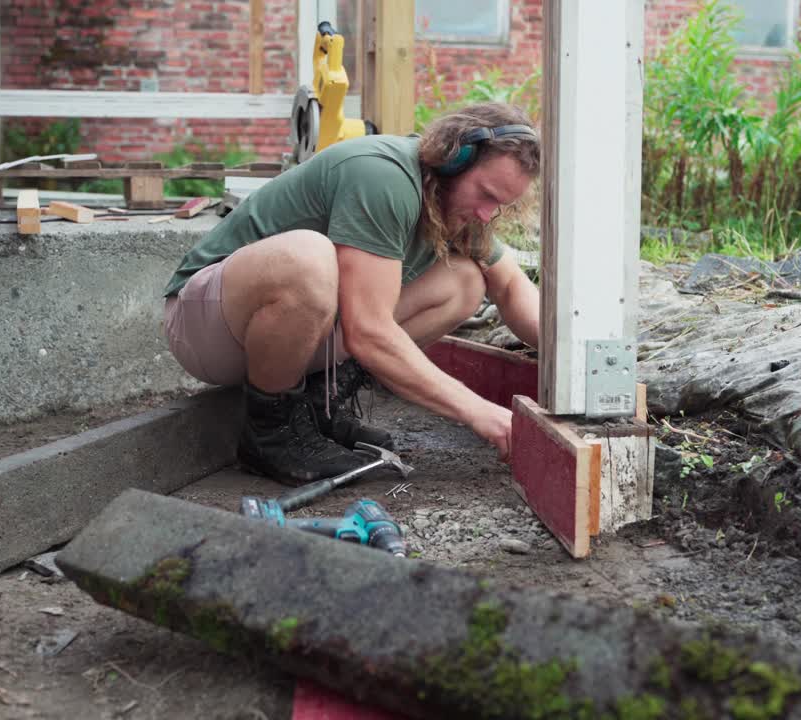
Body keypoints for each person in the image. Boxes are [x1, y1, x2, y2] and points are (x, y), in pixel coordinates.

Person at [161, 102, 542, 485]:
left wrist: (579, 362)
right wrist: (478, 411)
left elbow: (510, 286)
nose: (485, 214)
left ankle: (315, 408)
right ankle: (270, 433)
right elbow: (369, 331)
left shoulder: (455, 203)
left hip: (281, 338)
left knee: (464, 282)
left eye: (499, 205)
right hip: (206, 325)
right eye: (486, 194)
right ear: (454, 158)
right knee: (309, 259)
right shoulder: (383, 176)